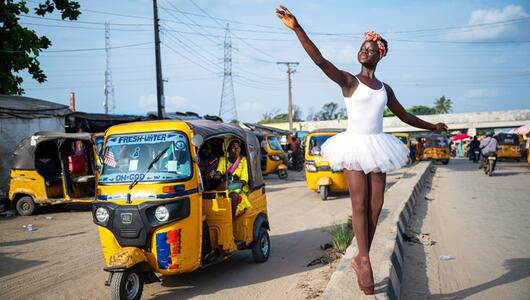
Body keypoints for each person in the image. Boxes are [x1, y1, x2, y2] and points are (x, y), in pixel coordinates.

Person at [276, 6, 448, 295]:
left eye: (370, 48)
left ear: (380, 55)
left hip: (378, 145)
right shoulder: (349, 81)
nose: (364, 51)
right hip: (354, 145)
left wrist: (433, 126)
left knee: (377, 204)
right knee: (360, 202)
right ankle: (365, 259)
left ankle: (360, 255)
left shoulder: (384, 88)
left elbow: (404, 117)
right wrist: (297, 28)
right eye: (362, 47)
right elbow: (320, 61)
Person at [213, 138, 252, 218]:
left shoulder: (243, 160)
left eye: (238, 148)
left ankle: (230, 219)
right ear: (228, 151)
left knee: (234, 196)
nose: (236, 150)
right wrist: (217, 175)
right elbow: (219, 171)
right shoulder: (223, 160)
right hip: (224, 187)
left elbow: (244, 180)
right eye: (234, 148)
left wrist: (229, 184)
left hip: (239, 188)